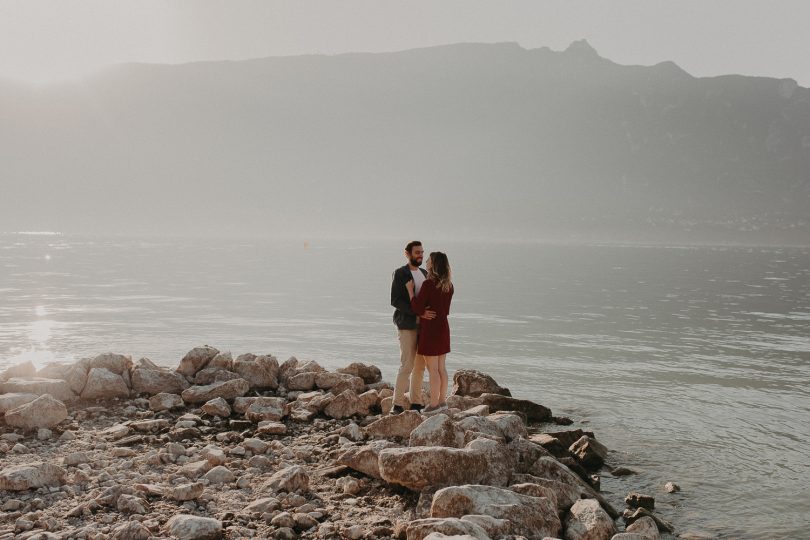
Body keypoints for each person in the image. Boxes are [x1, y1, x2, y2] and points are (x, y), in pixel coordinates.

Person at [390, 241, 436, 414]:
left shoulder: (425, 273)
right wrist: (418, 313)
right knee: (407, 365)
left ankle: (416, 403)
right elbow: (395, 300)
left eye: (422, 252)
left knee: (420, 366)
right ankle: (397, 404)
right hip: (407, 325)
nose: (420, 255)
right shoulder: (400, 273)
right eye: (417, 252)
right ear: (407, 253)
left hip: (424, 327)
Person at [406, 251, 454, 413]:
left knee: (432, 369)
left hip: (431, 329)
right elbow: (445, 310)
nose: (425, 261)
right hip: (443, 328)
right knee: (442, 368)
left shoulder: (428, 284)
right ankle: (442, 402)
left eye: (428, 260)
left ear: (433, 264)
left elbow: (418, 307)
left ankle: (433, 405)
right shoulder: (449, 285)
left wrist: (411, 291)